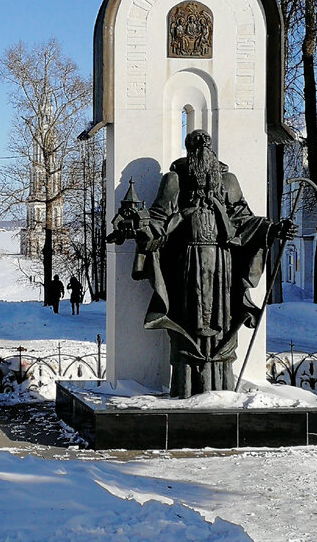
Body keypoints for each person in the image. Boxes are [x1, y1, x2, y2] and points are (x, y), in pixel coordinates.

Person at [111, 129, 295, 397]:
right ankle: (186, 387)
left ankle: (221, 388)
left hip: (223, 264)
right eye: (196, 143)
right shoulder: (174, 180)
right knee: (189, 320)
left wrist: (273, 229)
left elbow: (244, 219)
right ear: (189, 149)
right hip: (187, 263)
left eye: (206, 142)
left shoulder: (227, 181)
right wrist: (141, 227)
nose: (203, 146)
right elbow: (160, 219)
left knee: (222, 321)